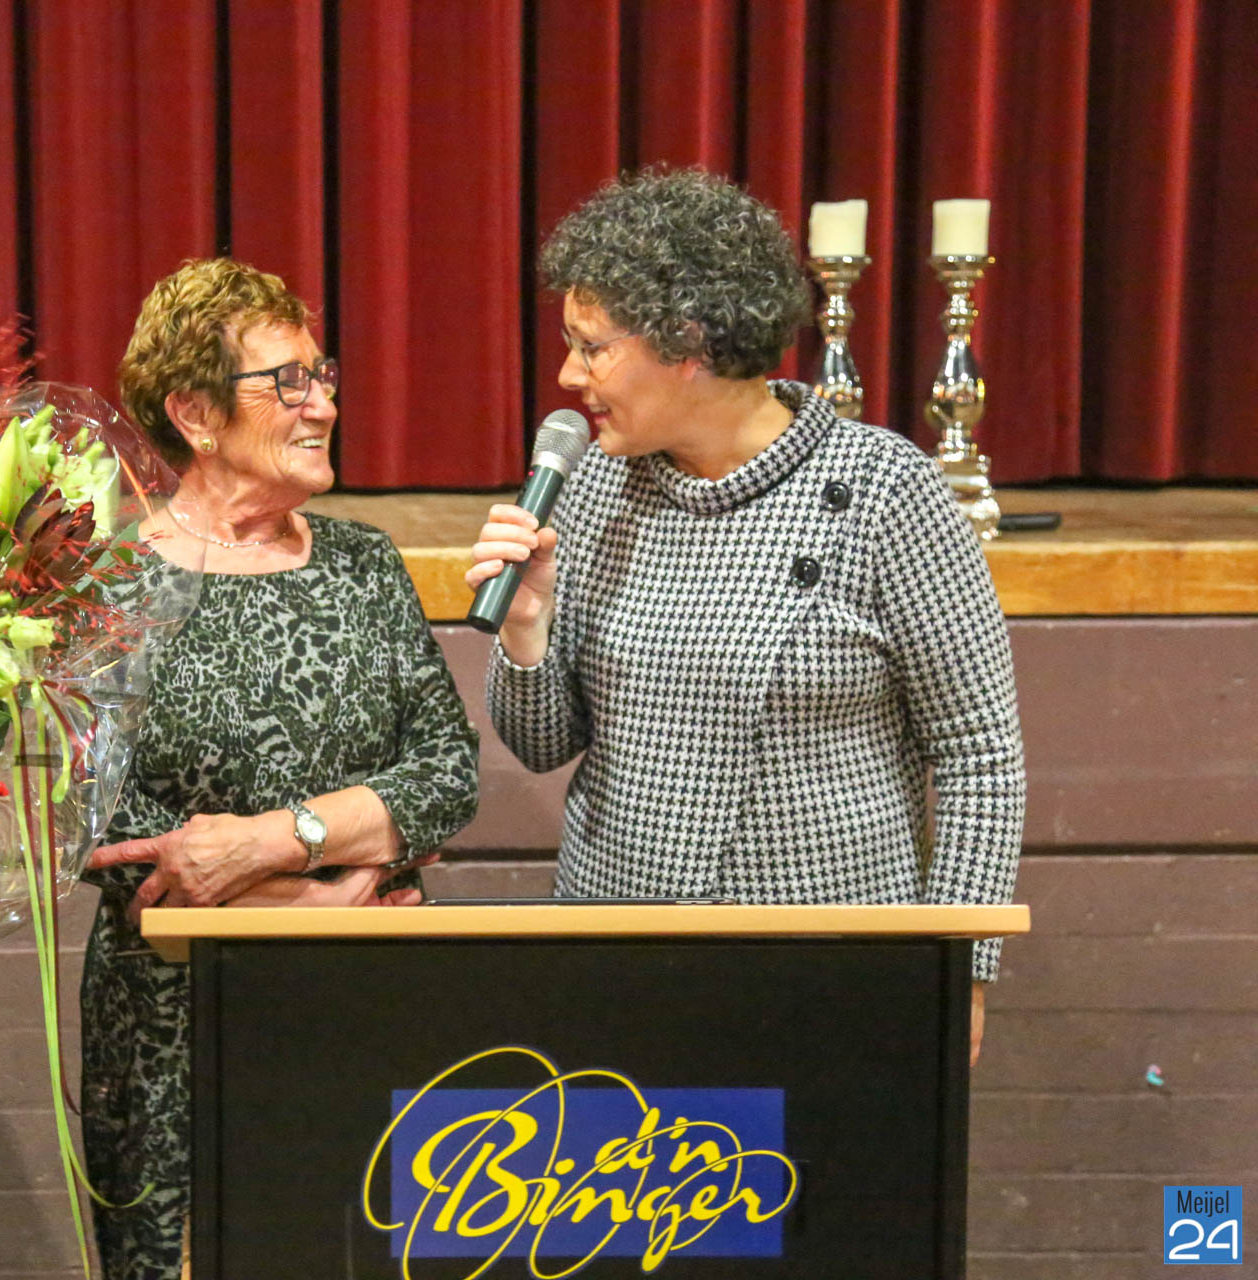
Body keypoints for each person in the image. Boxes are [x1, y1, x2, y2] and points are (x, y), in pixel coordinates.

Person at [468, 168, 1024, 1064]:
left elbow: (979, 755)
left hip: (826, 961)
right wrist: (526, 628)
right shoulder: (596, 483)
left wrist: (961, 969)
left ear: (688, 343)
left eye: (592, 347)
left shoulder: (885, 490)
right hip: (618, 949)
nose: (569, 376)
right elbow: (541, 746)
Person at [80, 257, 479, 1277]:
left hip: (365, 992)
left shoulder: (363, 563)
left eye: (323, 375)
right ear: (195, 414)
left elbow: (446, 769)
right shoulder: (111, 584)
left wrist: (277, 844)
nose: (324, 404)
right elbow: (109, 827)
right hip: (175, 1017)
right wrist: (326, 893)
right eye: (288, 381)